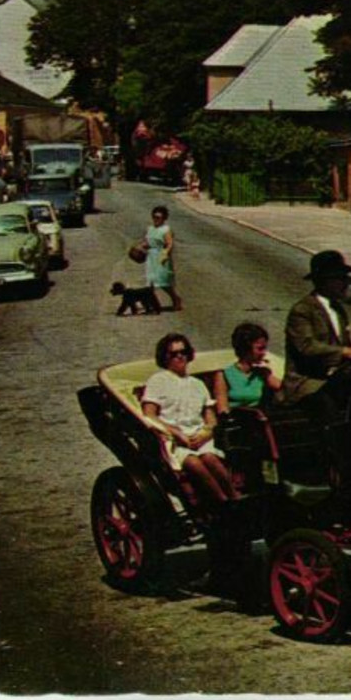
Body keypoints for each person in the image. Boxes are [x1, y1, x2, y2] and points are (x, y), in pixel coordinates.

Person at [281, 250, 351, 421]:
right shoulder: (302, 310)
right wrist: (346, 352)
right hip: (309, 384)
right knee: (328, 409)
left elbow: (344, 348)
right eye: (340, 279)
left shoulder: (338, 310)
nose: (346, 284)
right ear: (324, 281)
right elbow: (307, 347)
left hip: (337, 379)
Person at [141, 333, 237, 506]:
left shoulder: (197, 384)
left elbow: (210, 417)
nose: (180, 356)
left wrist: (206, 432)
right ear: (165, 357)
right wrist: (176, 433)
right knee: (193, 463)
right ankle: (222, 503)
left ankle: (233, 497)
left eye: (183, 352)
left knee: (210, 458)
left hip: (199, 435)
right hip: (172, 440)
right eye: (173, 353)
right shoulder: (158, 381)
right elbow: (149, 414)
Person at [213, 323, 281, 414]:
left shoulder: (262, 373)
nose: (264, 353)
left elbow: (285, 389)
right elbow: (222, 409)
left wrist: (267, 373)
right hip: (235, 420)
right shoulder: (224, 375)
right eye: (260, 349)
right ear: (245, 349)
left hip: (259, 420)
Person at [143, 205, 182, 312]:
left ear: (164, 218)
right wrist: (142, 247)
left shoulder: (166, 229)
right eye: (154, 217)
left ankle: (176, 299)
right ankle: (152, 304)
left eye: (159, 217)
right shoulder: (150, 228)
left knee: (163, 282)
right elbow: (147, 242)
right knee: (151, 282)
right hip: (151, 257)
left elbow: (169, 244)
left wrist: (165, 253)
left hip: (161, 257)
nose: (156, 219)